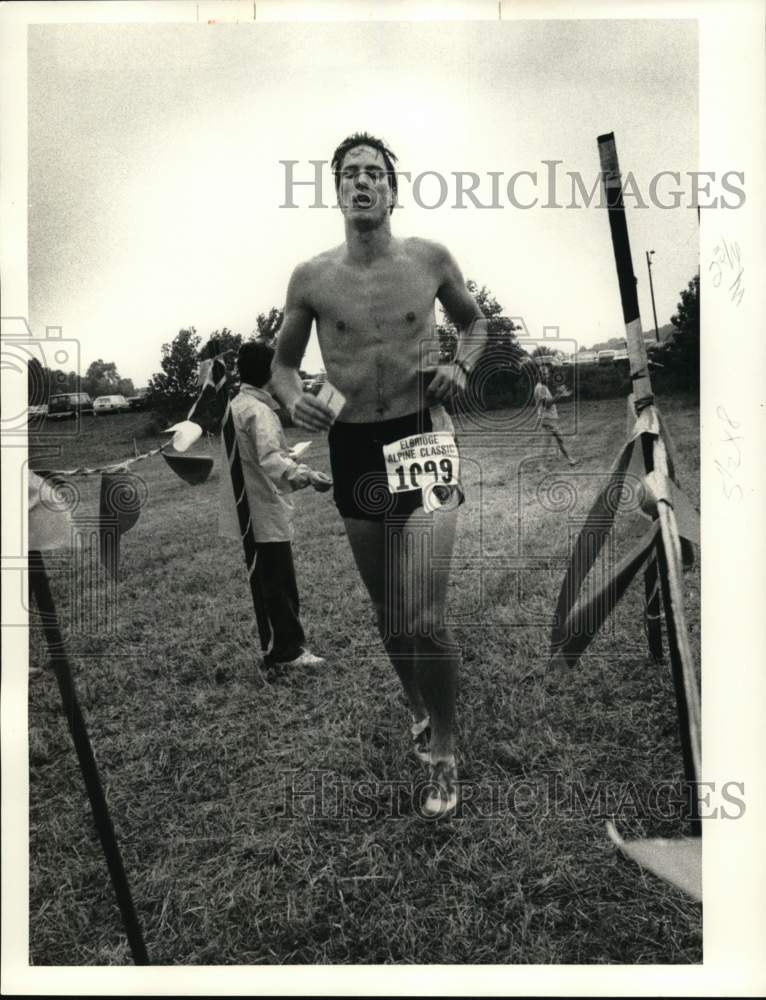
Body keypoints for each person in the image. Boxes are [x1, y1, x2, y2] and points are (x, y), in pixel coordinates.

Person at [271, 132, 487, 817]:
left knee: (423, 614)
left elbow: (475, 324)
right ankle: (418, 705)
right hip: (355, 450)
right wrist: (289, 394)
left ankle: (447, 748)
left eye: (375, 174)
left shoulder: (429, 260)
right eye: (350, 175)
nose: (363, 183)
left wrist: (461, 362)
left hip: (422, 436)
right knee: (390, 616)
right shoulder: (311, 277)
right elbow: (281, 365)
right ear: (336, 191)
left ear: (393, 190)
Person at [219, 341, 332, 668]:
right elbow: (270, 460)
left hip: (251, 509)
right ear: (271, 373)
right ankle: (290, 652)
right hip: (264, 508)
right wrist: (306, 474)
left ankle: (277, 647)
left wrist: (291, 460)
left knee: (270, 583)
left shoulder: (238, 405)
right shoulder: (259, 411)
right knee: (280, 585)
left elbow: (257, 455)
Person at [533, 363, 578, 466]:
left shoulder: (542, 387)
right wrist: (559, 394)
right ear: (539, 376)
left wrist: (560, 394)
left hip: (548, 418)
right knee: (549, 443)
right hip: (548, 419)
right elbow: (547, 404)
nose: (547, 376)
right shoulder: (541, 388)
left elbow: (548, 401)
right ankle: (541, 466)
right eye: (544, 374)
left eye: (547, 374)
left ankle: (570, 459)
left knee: (559, 440)